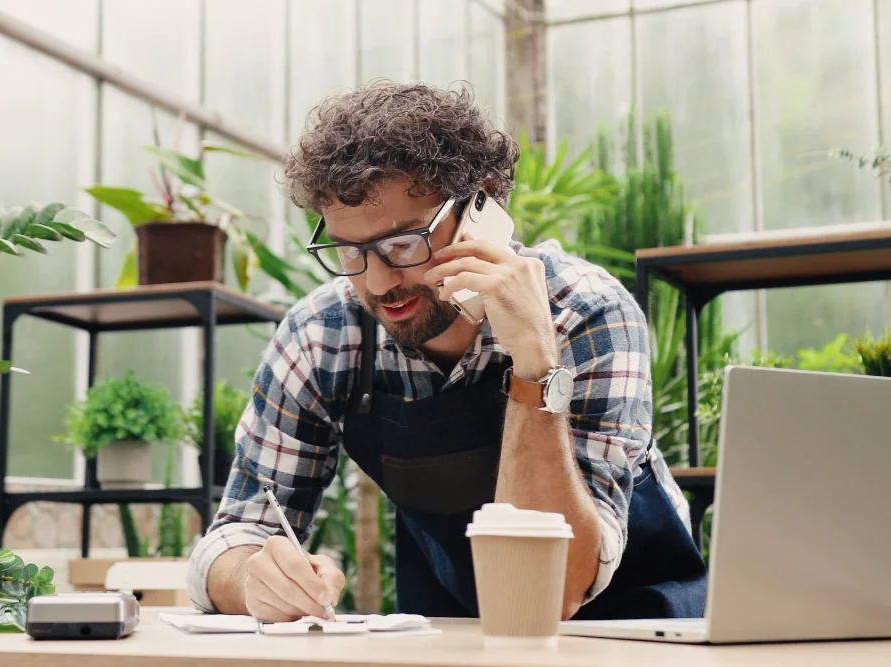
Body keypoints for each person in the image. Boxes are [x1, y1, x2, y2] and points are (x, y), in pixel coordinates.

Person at [185, 81, 707, 622]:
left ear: (480, 203)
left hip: (635, 630)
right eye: (350, 250)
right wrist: (255, 579)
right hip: (454, 629)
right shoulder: (323, 335)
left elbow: (552, 594)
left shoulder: (585, 313)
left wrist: (535, 365)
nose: (381, 281)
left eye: (405, 243)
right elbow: (237, 533)